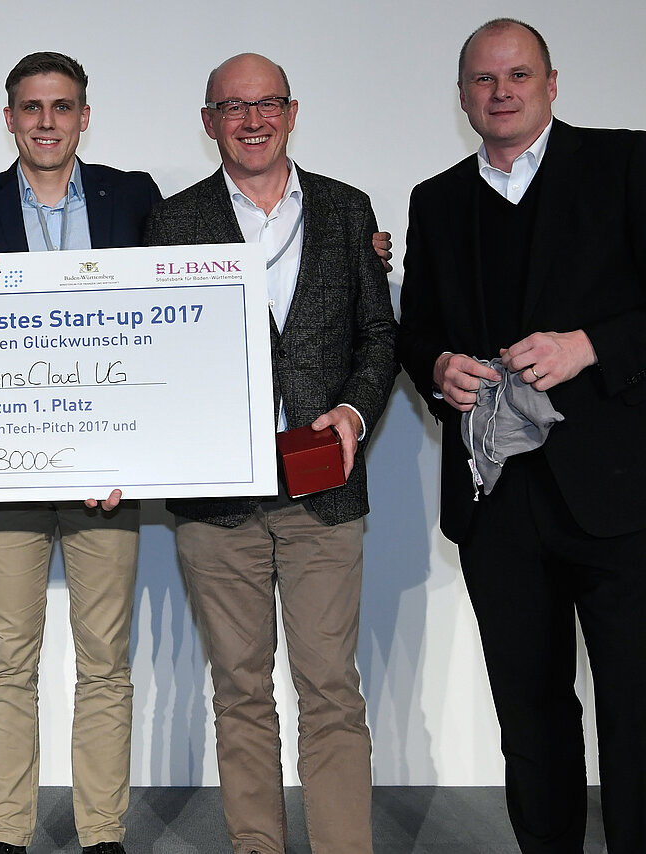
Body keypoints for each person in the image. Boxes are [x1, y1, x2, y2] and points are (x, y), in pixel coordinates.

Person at [396, 18, 646, 854]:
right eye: (483, 79)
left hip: (626, 497)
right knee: (530, 715)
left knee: (639, 711)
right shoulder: (437, 199)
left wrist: (589, 346)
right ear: (462, 96)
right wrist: (437, 367)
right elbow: (420, 331)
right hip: (499, 506)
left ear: (552, 84)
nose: (500, 92)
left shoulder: (626, 163)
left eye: (518, 75)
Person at [144, 53, 397, 854]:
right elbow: (149, 354)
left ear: (291, 113)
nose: (251, 120)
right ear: (209, 120)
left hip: (325, 491)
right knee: (240, 692)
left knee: (331, 691)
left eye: (267, 104)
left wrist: (355, 409)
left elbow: (379, 335)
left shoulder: (347, 209)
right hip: (217, 501)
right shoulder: (172, 221)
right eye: (232, 106)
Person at [0, 51, 159, 854]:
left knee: (106, 660)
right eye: (31, 107)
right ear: (9, 118)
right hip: (6, 468)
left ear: (83, 117)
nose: (46, 121)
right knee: (8, 660)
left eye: (62, 106)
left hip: (108, 471)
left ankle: (102, 834)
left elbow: (181, 298)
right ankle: (8, 835)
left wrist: (362, 248)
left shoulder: (133, 197)